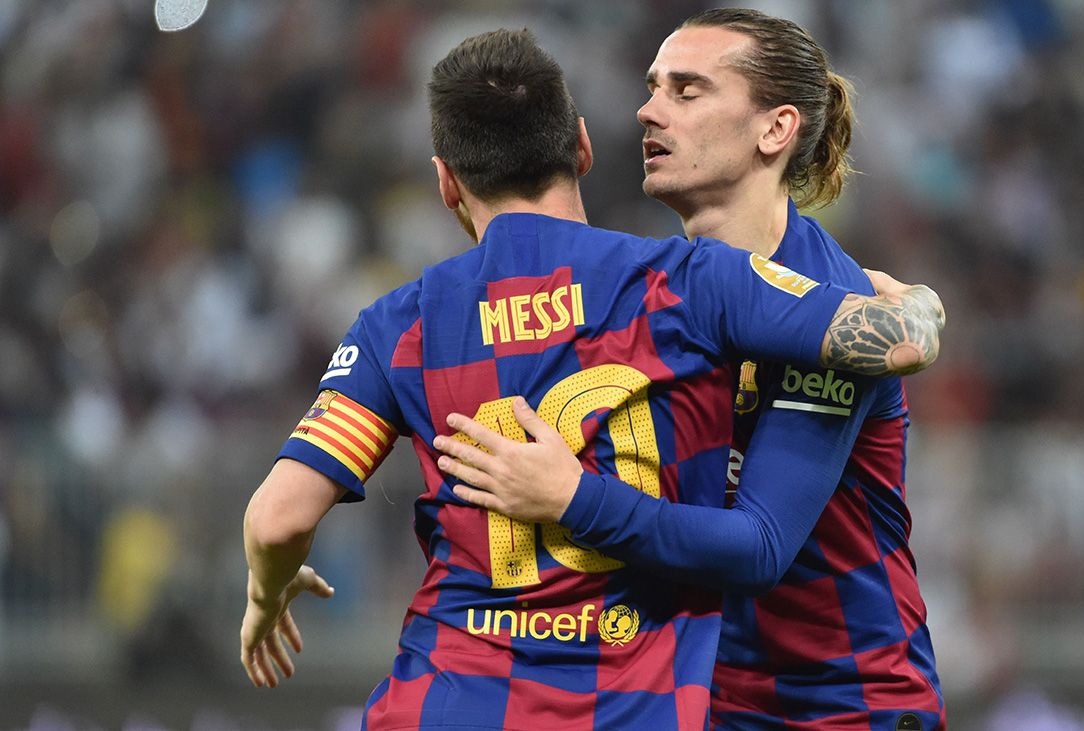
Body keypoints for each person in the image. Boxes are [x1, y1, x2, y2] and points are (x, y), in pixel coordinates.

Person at [239, 28, 943, 730]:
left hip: (839, 703)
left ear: (775, 128)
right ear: (580, 146)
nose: (648, 110)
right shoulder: (665, 290)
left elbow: (758, 544)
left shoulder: (809, 295)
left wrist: (920, 303)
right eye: (651, 87)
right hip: (705, 701)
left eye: (686, 89)